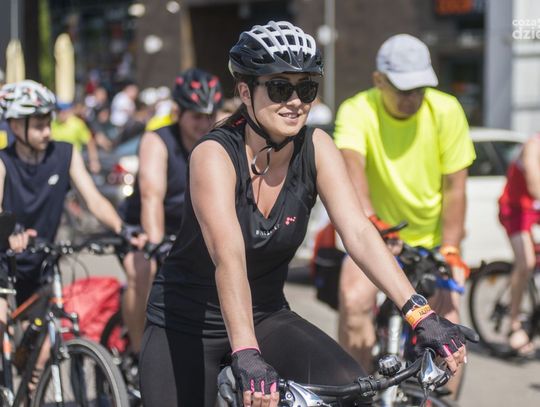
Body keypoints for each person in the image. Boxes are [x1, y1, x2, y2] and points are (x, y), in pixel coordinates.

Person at [139, 21, 470, 407]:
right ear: (245, 92)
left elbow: (358, 232)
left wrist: (420, 313)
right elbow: (229, 257)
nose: (295, 101)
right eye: (280, 88)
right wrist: (246, 351)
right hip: (186, 322)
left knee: (351, 392)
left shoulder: (317, 146)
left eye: (306, 88)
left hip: (265, 315)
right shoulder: (213, 155)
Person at [331, 34, 475, 397]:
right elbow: (352, 172)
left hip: (430, 241)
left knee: (450, 324)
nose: (413, 97)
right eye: (404, 89)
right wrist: (373, 224)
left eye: (421, 89)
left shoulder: (446, 110)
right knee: (353, 300)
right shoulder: (357, 109)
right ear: (379, 80)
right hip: (376, 235)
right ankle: (359, 393)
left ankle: (439, 402)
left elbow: (455, 189)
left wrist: (451, 248)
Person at [0, 80, 145, 383]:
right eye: (38, 126)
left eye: (48, 123)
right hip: (4, 263)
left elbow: (93, 199)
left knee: (40, 355)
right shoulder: (3, 163)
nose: (47, 132)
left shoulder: (65, 154)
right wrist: (9, 235)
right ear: (14, 126)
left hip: (41, 263)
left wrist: (122, 229)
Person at [119, 68, 223, 353]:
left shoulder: (218, 140)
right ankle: (138, 352)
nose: (204, 123)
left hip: (186, 230)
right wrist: (155, 245)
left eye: (210, 116)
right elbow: (151, 196)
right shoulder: (157, 140)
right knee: (143, 269)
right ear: (178, 112)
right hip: (144, 228)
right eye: (196, 116)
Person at [498, 134, 540, 356]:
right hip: (516, 209)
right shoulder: (533, 145)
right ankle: (514, 322)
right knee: (526, 263)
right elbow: (534, 186)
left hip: (536, 210)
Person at [52, 102, 101, 173]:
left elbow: (90, 142)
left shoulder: (77, 124)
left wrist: (94, 161)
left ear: (68, 111)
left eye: (64, 111)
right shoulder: (52, 124)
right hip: (57, 161)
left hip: (74, 160)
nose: (61, 114)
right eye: (59, 111)